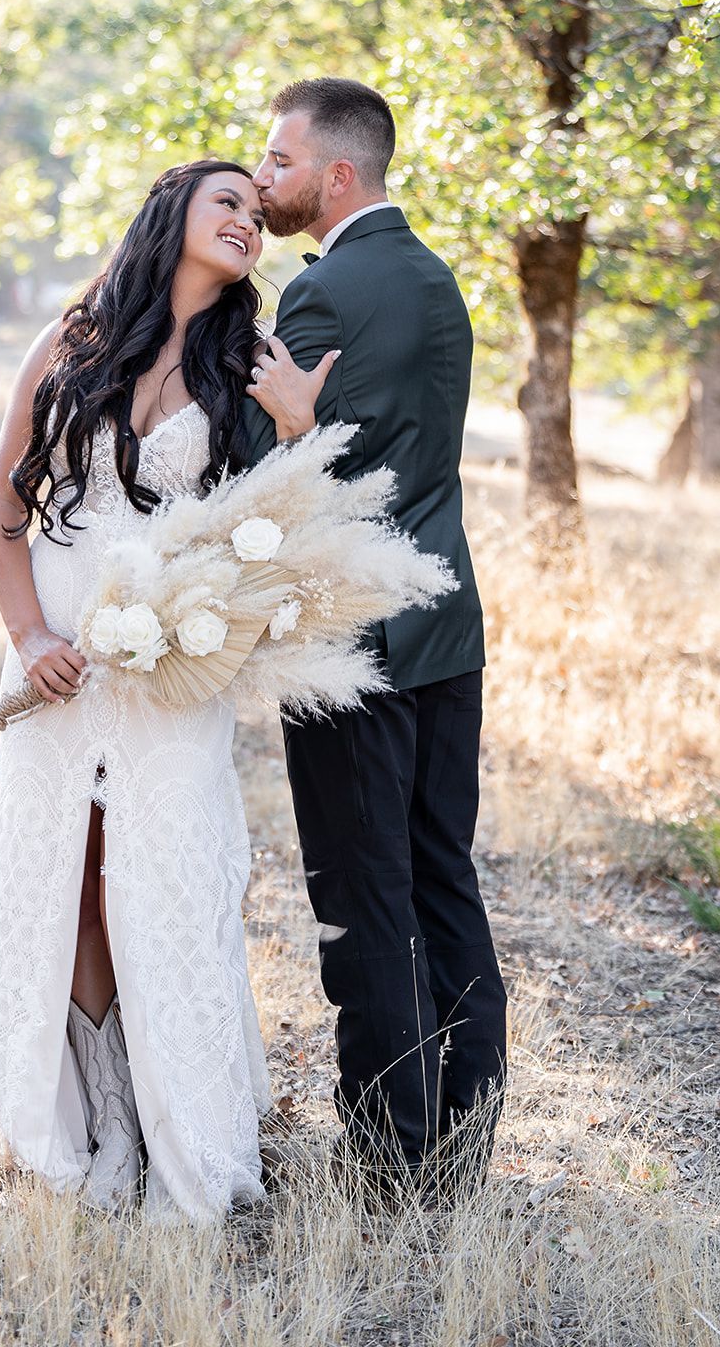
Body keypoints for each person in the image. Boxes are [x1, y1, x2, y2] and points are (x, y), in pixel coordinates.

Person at [0, 160, 336, 1222]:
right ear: (170, 213)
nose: (246, 223)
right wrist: (28, 632)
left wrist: (298, 429)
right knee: (67, 873)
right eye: (226, 201)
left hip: (172, 661)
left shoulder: (250, 364)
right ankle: (99, 1126)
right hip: (56, 653)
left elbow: (281, 532)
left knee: (163, 876)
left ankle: (183, 1122)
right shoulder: (71, 341)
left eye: (255, 216)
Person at [244, 77, 507, 1201]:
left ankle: (383, 1159)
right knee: (443, 876)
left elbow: (284, 482)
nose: (264, 180)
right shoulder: (434, 280)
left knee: (363, 894)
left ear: (334, 175)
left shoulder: (321, 298)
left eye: (278, 162)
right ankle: (460, 1133)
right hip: (446, 625)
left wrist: (291, 430)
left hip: (350, 634)